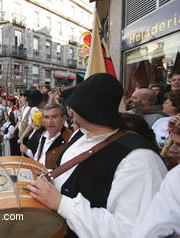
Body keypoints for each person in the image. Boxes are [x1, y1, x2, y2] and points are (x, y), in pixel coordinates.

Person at [27, 73, 167, 238]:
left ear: (86, 109)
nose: (70, 110)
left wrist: (62, 204)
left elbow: (132, 231)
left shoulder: (140, 160)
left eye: (72, 105)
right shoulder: (79, 135)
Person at [21, 104, 72, 169]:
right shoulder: (44, 135)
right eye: (46, 117)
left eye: (54, 117)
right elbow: (38, 159)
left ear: (64, 119)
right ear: (42, 120)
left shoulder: (70, 139)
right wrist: (27, 152)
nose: (50, 122)